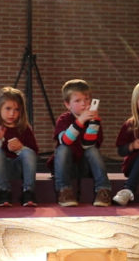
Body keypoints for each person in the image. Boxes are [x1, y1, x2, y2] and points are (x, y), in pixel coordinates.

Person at [47, 79, 112, 207]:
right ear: (68, 105)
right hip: (66, 166)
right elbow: (66, 140)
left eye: (87, 99)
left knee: (92, 150)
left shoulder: (95, 120)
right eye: (77, 101)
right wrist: (80, 121)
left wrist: (93, 123)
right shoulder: (64, 119)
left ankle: (103, 189)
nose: (83, 103)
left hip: (84, 166)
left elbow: (88, 144)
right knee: (63, 148)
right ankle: (64, 190)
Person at [0, 87, 38, 207]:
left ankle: (28, 192)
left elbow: (33, 154)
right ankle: (4, 192)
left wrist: (21, 148)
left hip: (17, 169)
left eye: (16, 110)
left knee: (28, 153)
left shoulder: (24, 128)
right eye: (8, 109)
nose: (12, 113)